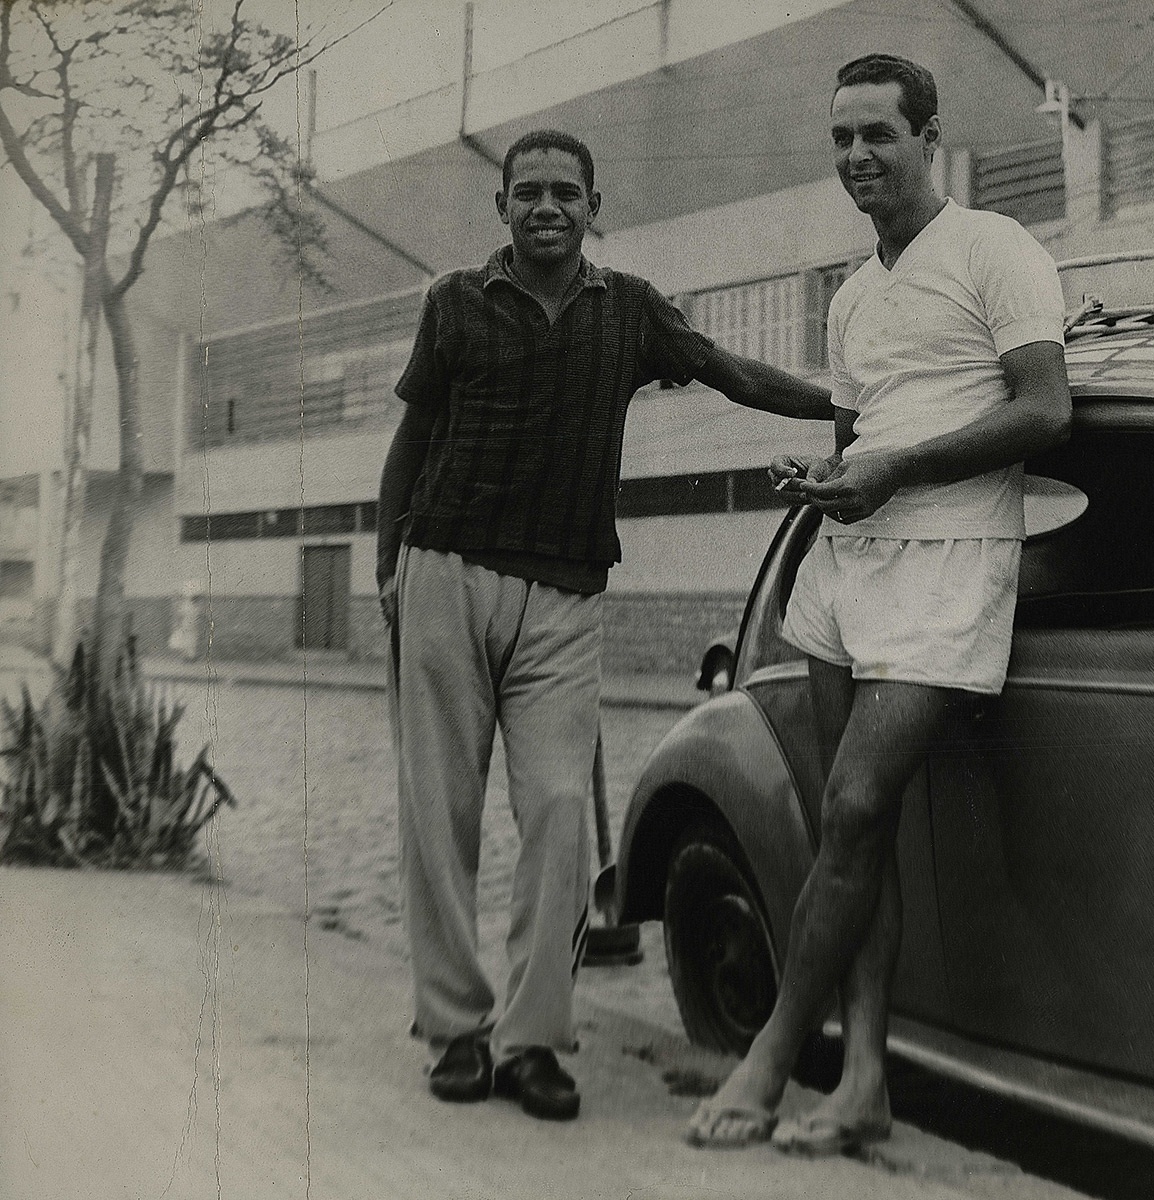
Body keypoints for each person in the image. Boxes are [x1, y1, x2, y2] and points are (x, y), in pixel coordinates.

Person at [377, 129, 831, 1121]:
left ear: (594, 205)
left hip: (566, 594)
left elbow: (727, 372)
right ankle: (454, 1030)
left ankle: (532, 1039)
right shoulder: (453, 302)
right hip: (443, 573)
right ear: (501, 207)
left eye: (566, 193)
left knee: (557, 815)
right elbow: (411, 439)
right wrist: (385, 570)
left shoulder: (628, 311)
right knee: (438, 812)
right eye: (528, 191)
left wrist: (841, 406)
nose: (547, 206)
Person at [687, 53, 1073, 1155]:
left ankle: (771, 1057)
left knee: (854, 813)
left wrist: (894, 471)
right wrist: (829, 481)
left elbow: (1045, 411)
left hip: (950, 564)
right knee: (854, 836)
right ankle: (862, 1080)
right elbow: (860, 441)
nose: (857, 156)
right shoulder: (853, 294)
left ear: (927, 138)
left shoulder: (995, 250)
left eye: (878, 135)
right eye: (841, 139)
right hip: (846, 571)